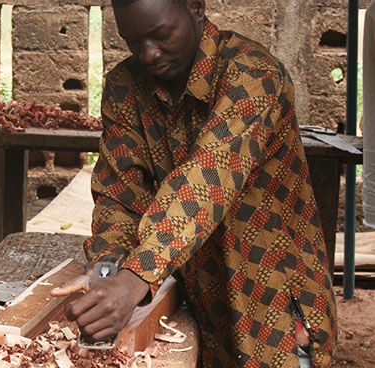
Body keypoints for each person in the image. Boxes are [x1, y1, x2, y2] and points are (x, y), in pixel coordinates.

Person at [51, 0, 336, 366]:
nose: (149, 54)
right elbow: (120, 195)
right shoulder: (126, 87)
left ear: (196, 9)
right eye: (133, 41)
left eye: (161, 35)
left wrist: (135, 278)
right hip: (201, 302)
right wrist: (109, 265)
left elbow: (208, 177)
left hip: (276, 303)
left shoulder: (254, 75)